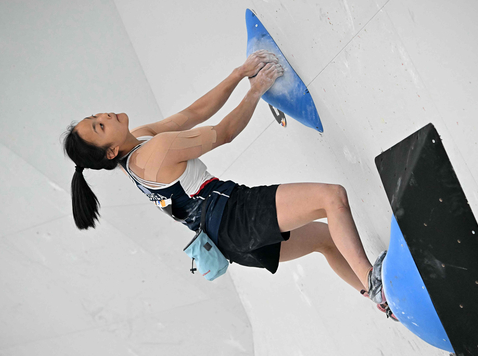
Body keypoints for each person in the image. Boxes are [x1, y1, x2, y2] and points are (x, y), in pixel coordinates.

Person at [62, 50, 397, 321]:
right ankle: (376, 285)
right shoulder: (154, 151)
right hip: (235, 216)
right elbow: (223, 133)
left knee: (325, 240)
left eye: (96, 117)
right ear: (110, 150)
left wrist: (239, 73)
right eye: (99, 126)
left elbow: (193, 113)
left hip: (228, 243)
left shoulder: (133, 156)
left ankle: (379, 301)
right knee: (331, 198)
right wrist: (255, 89)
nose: (104, 116)